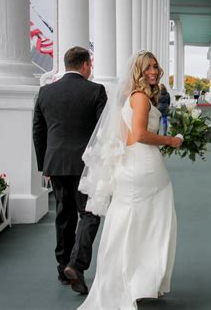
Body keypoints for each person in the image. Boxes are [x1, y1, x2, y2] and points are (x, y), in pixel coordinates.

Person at [77, 50, 182, 309]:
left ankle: (125, 280)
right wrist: (172, 140)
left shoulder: (129, 98)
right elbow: (140, 135)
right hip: (144, 166)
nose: (154, 71)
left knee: (127, 224)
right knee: (154, 222)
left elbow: (124, 138)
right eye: (148, 67)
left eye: (156, 66)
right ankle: (140, 279)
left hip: (130, 166)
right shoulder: (141, 98)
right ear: (138, 70)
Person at [32, 46, 107, 294]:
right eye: (90, 65)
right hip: (86, 164)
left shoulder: (45, 92)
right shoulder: (96, 91)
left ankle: (63, 269)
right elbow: (102, 132)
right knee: (90, 213)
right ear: (85, 65)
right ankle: (77, 265)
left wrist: (44, 165)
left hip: (56, 163)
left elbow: (38, 131)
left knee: (64, 215)